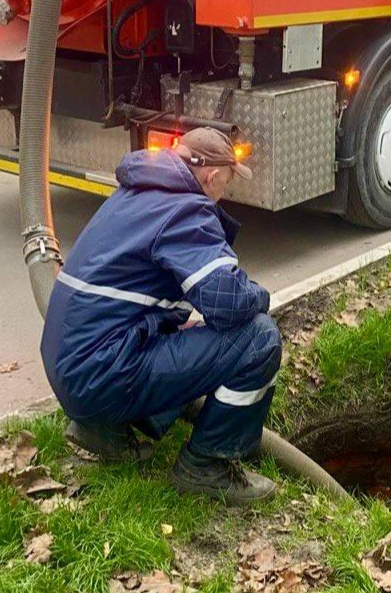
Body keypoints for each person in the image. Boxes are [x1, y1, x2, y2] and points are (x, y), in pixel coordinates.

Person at [40, 128, 281, 505]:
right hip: (99, 373)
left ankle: (103, 429)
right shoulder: (185, 210)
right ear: (212, 176)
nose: (225, 191)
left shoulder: (137, 193)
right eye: (227, 182)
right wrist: (261, 296)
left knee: (183, 323)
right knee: (259, 338)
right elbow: (228, 302)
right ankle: (206, 467)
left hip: (72, 366)